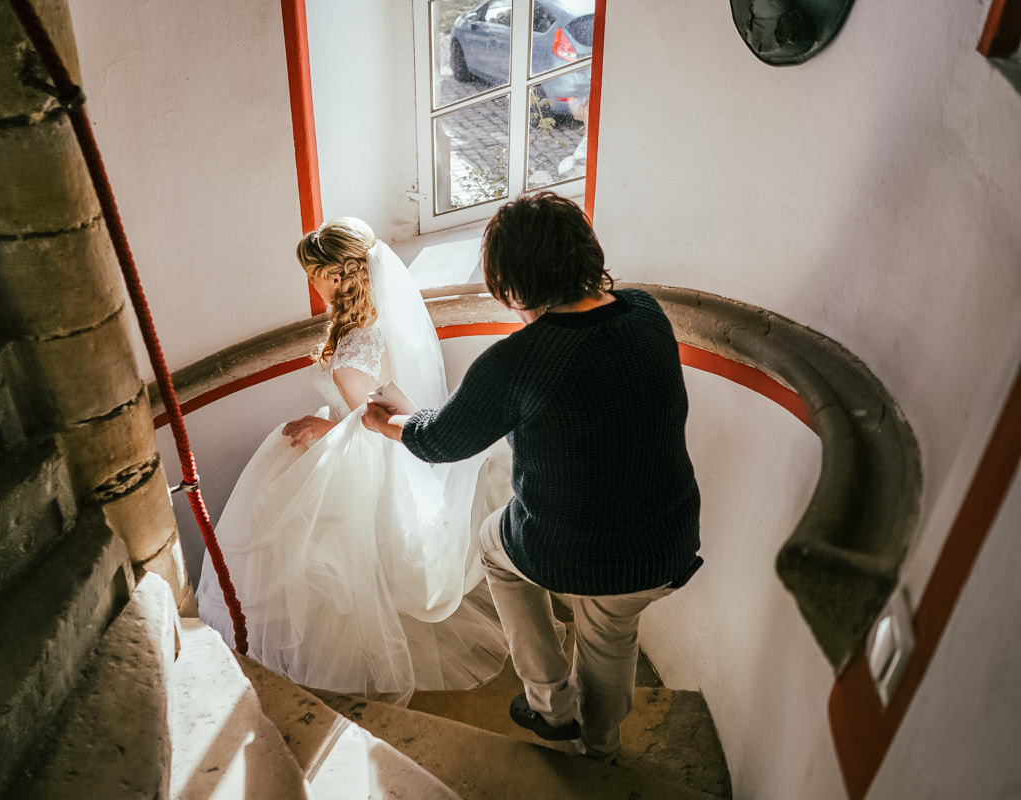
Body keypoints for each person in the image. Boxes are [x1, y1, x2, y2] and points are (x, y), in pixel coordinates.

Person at [363, 192, 703, 759]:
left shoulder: (516, 360)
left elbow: (441, 440)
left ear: (511, 283)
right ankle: (601, 747)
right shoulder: (646, 313)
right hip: (664, 541)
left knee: (495, 547)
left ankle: (550, 704)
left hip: (572, 549)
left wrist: (390, 422)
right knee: (610, 634)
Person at [196, 217, 509, 704]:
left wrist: (324, 427)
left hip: (352, 461)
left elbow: (366, 413)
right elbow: (391, 398)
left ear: (335, 276)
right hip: (359, 453)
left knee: (329, 566)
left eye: (314, 272)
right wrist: (428, 426)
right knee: (350, 565)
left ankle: (335, 674)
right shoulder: (373, 327)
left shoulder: (356, 339)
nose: (312, 283)